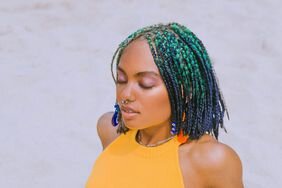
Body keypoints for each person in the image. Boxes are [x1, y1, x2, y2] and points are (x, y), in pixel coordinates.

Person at [86, 22, 243, 188]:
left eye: (145, 84)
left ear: (185, 90)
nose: (125, 94)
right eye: (121, 80)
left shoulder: (211, 160)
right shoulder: (109, 131)